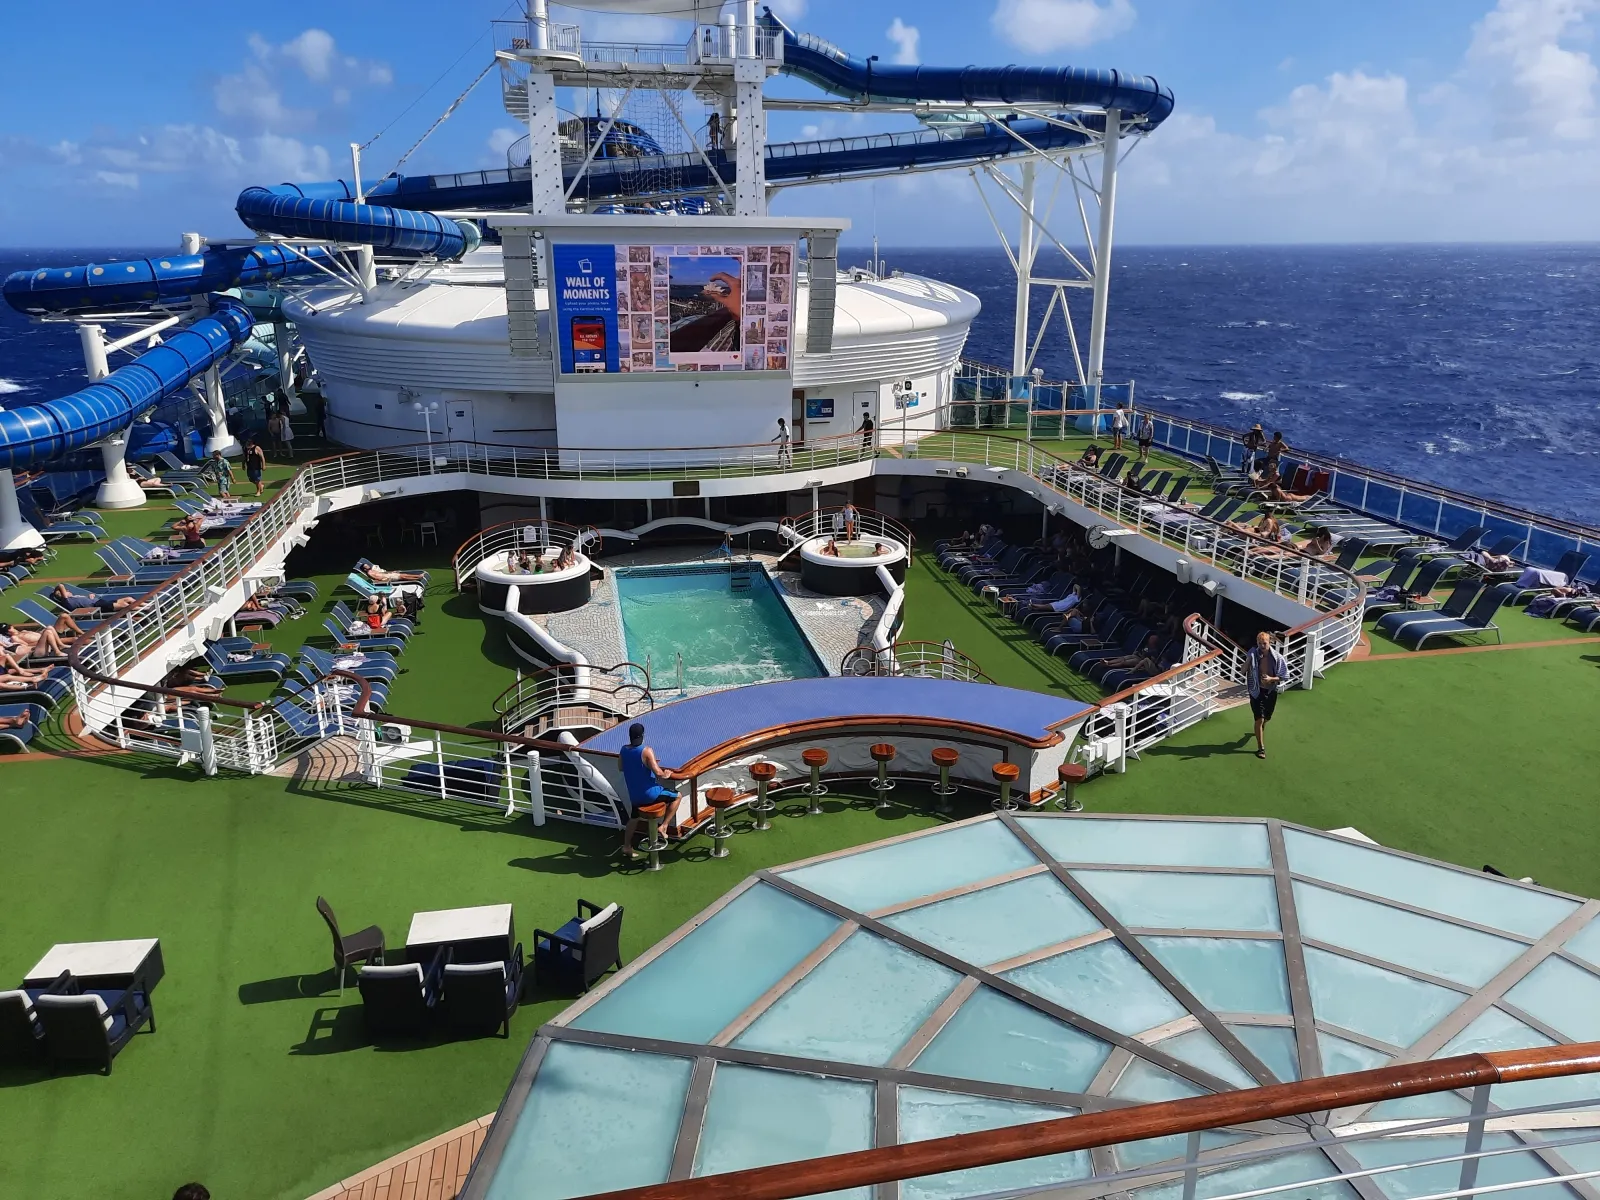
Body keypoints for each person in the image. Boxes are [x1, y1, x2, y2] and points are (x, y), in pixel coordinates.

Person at [618, 722, 678, 859]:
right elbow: (659, 773)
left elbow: (620, 767)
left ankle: (626, 846)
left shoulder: (623, 750)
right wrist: (667, 773)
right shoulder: (646, 751)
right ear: (643, 735)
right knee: (677, 796)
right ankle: (664, 826)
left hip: (634, 796)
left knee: (634, 818)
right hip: (650, 794)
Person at [1246, 630, 1288, 760]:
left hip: (1270, 691)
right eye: (1259, 643)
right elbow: (1242, 670)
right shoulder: (1254, 656)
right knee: (1258, 719)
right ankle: (1261, 748)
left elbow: (1284, 676)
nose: (1262, 646)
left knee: (1267, 717)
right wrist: (1249, 659)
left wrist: (1271, 679)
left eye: (1264, 643)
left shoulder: (1277, 658)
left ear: (1269, 643)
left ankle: (1262, 725)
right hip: (1256, 691)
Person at [52, 583, 136, 613]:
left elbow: (84, 601)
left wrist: (90, 597)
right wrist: (55, 591)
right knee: (124, 605)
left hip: (99, 601)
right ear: (63, 595)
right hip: (97, 606)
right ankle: (142, 609)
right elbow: (60, 585)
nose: (68, 590)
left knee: (128, 598)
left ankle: (143, 605)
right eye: (66, 591)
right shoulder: (67, 601)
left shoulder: (73, 598)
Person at [361, 562, 427, 584]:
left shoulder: (372, 570)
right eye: (366, 566)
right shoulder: (369, 573)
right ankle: (417, 578)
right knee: (402, 577)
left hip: (387, 574)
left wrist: (391, 572)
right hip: (386, 578)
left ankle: (418, 576)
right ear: (364, 569)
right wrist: (385, 579)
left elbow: (382, 572)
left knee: (404, 574)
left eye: (367, 565)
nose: (368, 566)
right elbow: (377, 578)